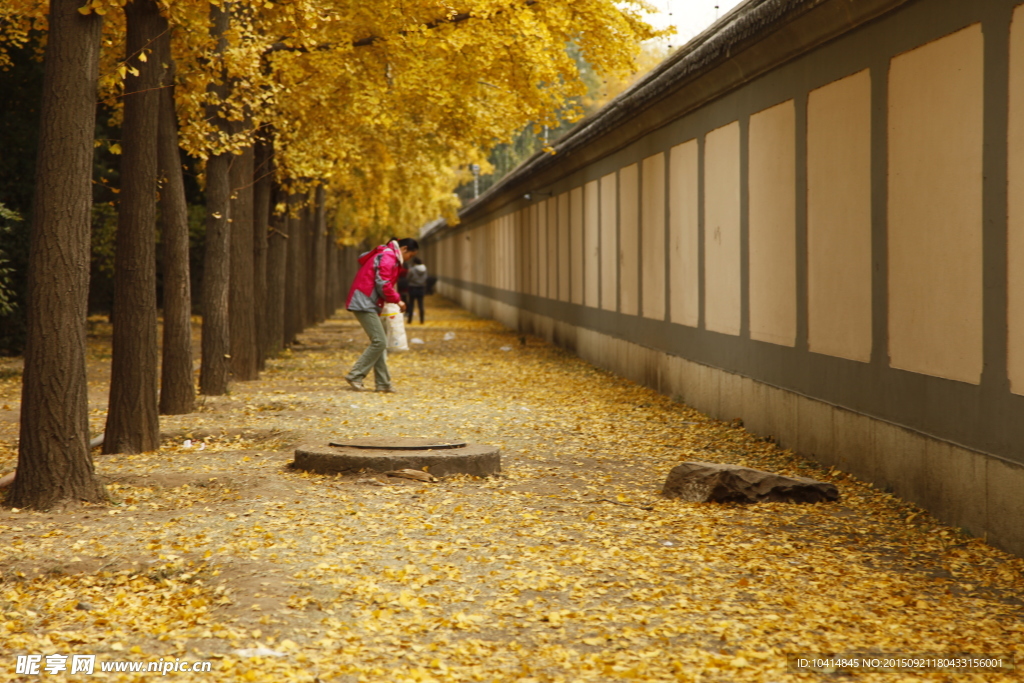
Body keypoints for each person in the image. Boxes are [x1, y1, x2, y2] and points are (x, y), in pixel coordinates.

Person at [344, 237, 419, 392]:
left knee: (380, 344)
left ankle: (383, 383)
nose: (409, 259)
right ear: (404, 249)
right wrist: (398, 301)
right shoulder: (388, 257)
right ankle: (355, 375)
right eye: (410, 255)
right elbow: (383, 283)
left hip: (369, 301)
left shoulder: (387, 255)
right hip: (365, 302)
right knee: (380, 342)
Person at [405, 257, 428, 324]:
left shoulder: (412, 269)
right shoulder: (425, 269)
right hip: (421, 288)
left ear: (414, 263)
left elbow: (408, 277)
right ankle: (422, 320)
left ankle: (410, 320)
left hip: (412, 287)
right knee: (421, 304)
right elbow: (425, 278)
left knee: (411, 304)